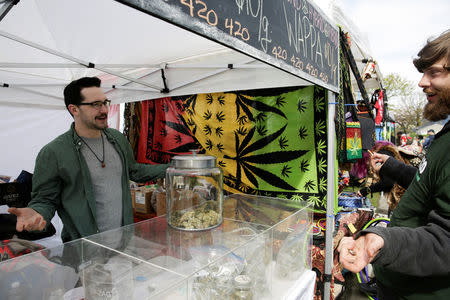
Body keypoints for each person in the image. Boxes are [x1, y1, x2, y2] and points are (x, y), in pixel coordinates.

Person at [338, 30, 450, 299]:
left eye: (434, 72)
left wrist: (382, 241)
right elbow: (432, 186)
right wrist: (393, 167)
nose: (422, 82)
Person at [8, 77, 169, 242]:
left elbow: (134, 171)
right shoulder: (53, 153)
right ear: (74, 109)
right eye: (95, 104)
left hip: (124, 243)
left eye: (105, 102)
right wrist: (37, 212)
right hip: (84, 251)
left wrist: (174, 168)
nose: (104, 110)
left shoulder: (117, 138)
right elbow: (45, 199)